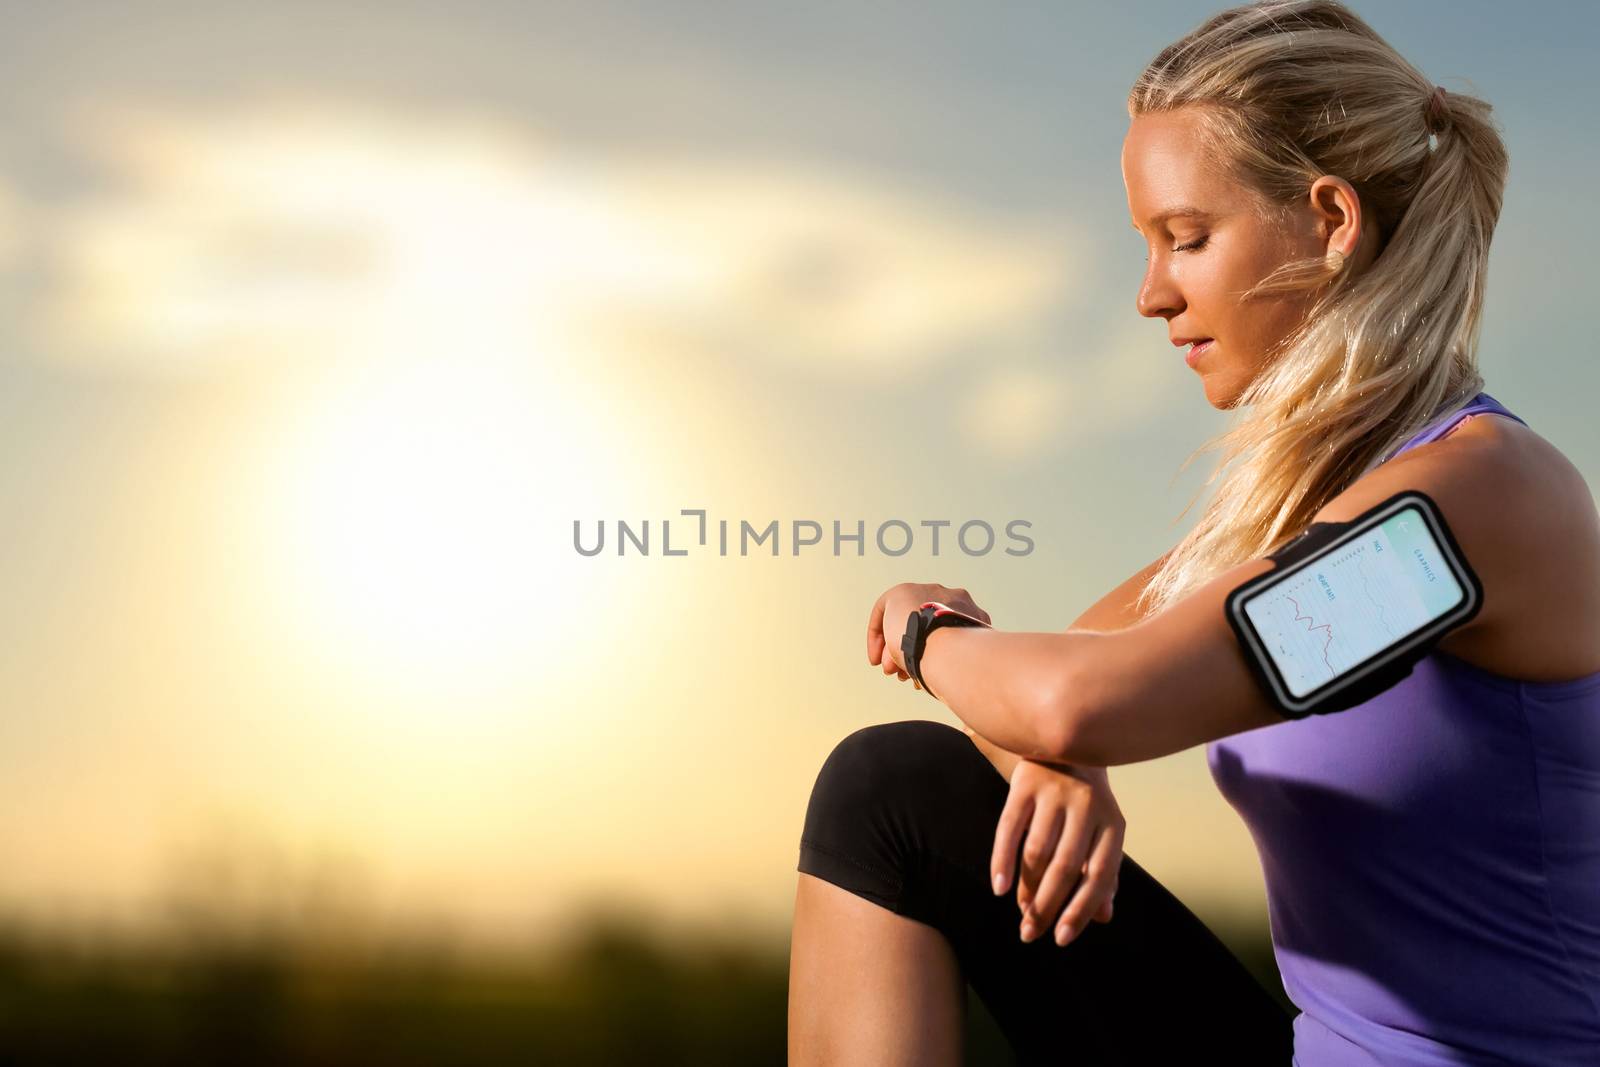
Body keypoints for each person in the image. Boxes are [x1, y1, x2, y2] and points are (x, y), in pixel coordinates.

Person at [787, 2, 1600, 1064]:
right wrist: (1066, 756)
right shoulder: (1302, 514)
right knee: (894, 789)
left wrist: (930, 629)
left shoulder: (1468, 514)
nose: (1150, 293)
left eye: (1187, 237)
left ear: (1329, 219)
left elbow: (1080, 693)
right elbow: (1065, 679)